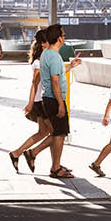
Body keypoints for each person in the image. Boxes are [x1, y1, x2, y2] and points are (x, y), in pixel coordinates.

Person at [9, 29, 53, 173]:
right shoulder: (39, 63)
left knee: (42, 132)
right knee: (57, 133)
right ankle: (32, 153)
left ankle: (17, 153)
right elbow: (34, 83)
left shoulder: (41, 61)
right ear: (44, 44)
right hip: (41, 102)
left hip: (39, 101)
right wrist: (30, 103)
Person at [39, 24, 74, 178]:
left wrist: (70, 67)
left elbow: (56, 73)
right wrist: (61, 104)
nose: (64, 37)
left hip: (48, 98)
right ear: (59, 38)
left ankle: (55, 165)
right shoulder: (53, 56)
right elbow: (55, 81)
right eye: (64, 35)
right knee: (60, 134)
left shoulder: (47, 53)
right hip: (54, 99)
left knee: (58, 133)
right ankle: (52, 165)